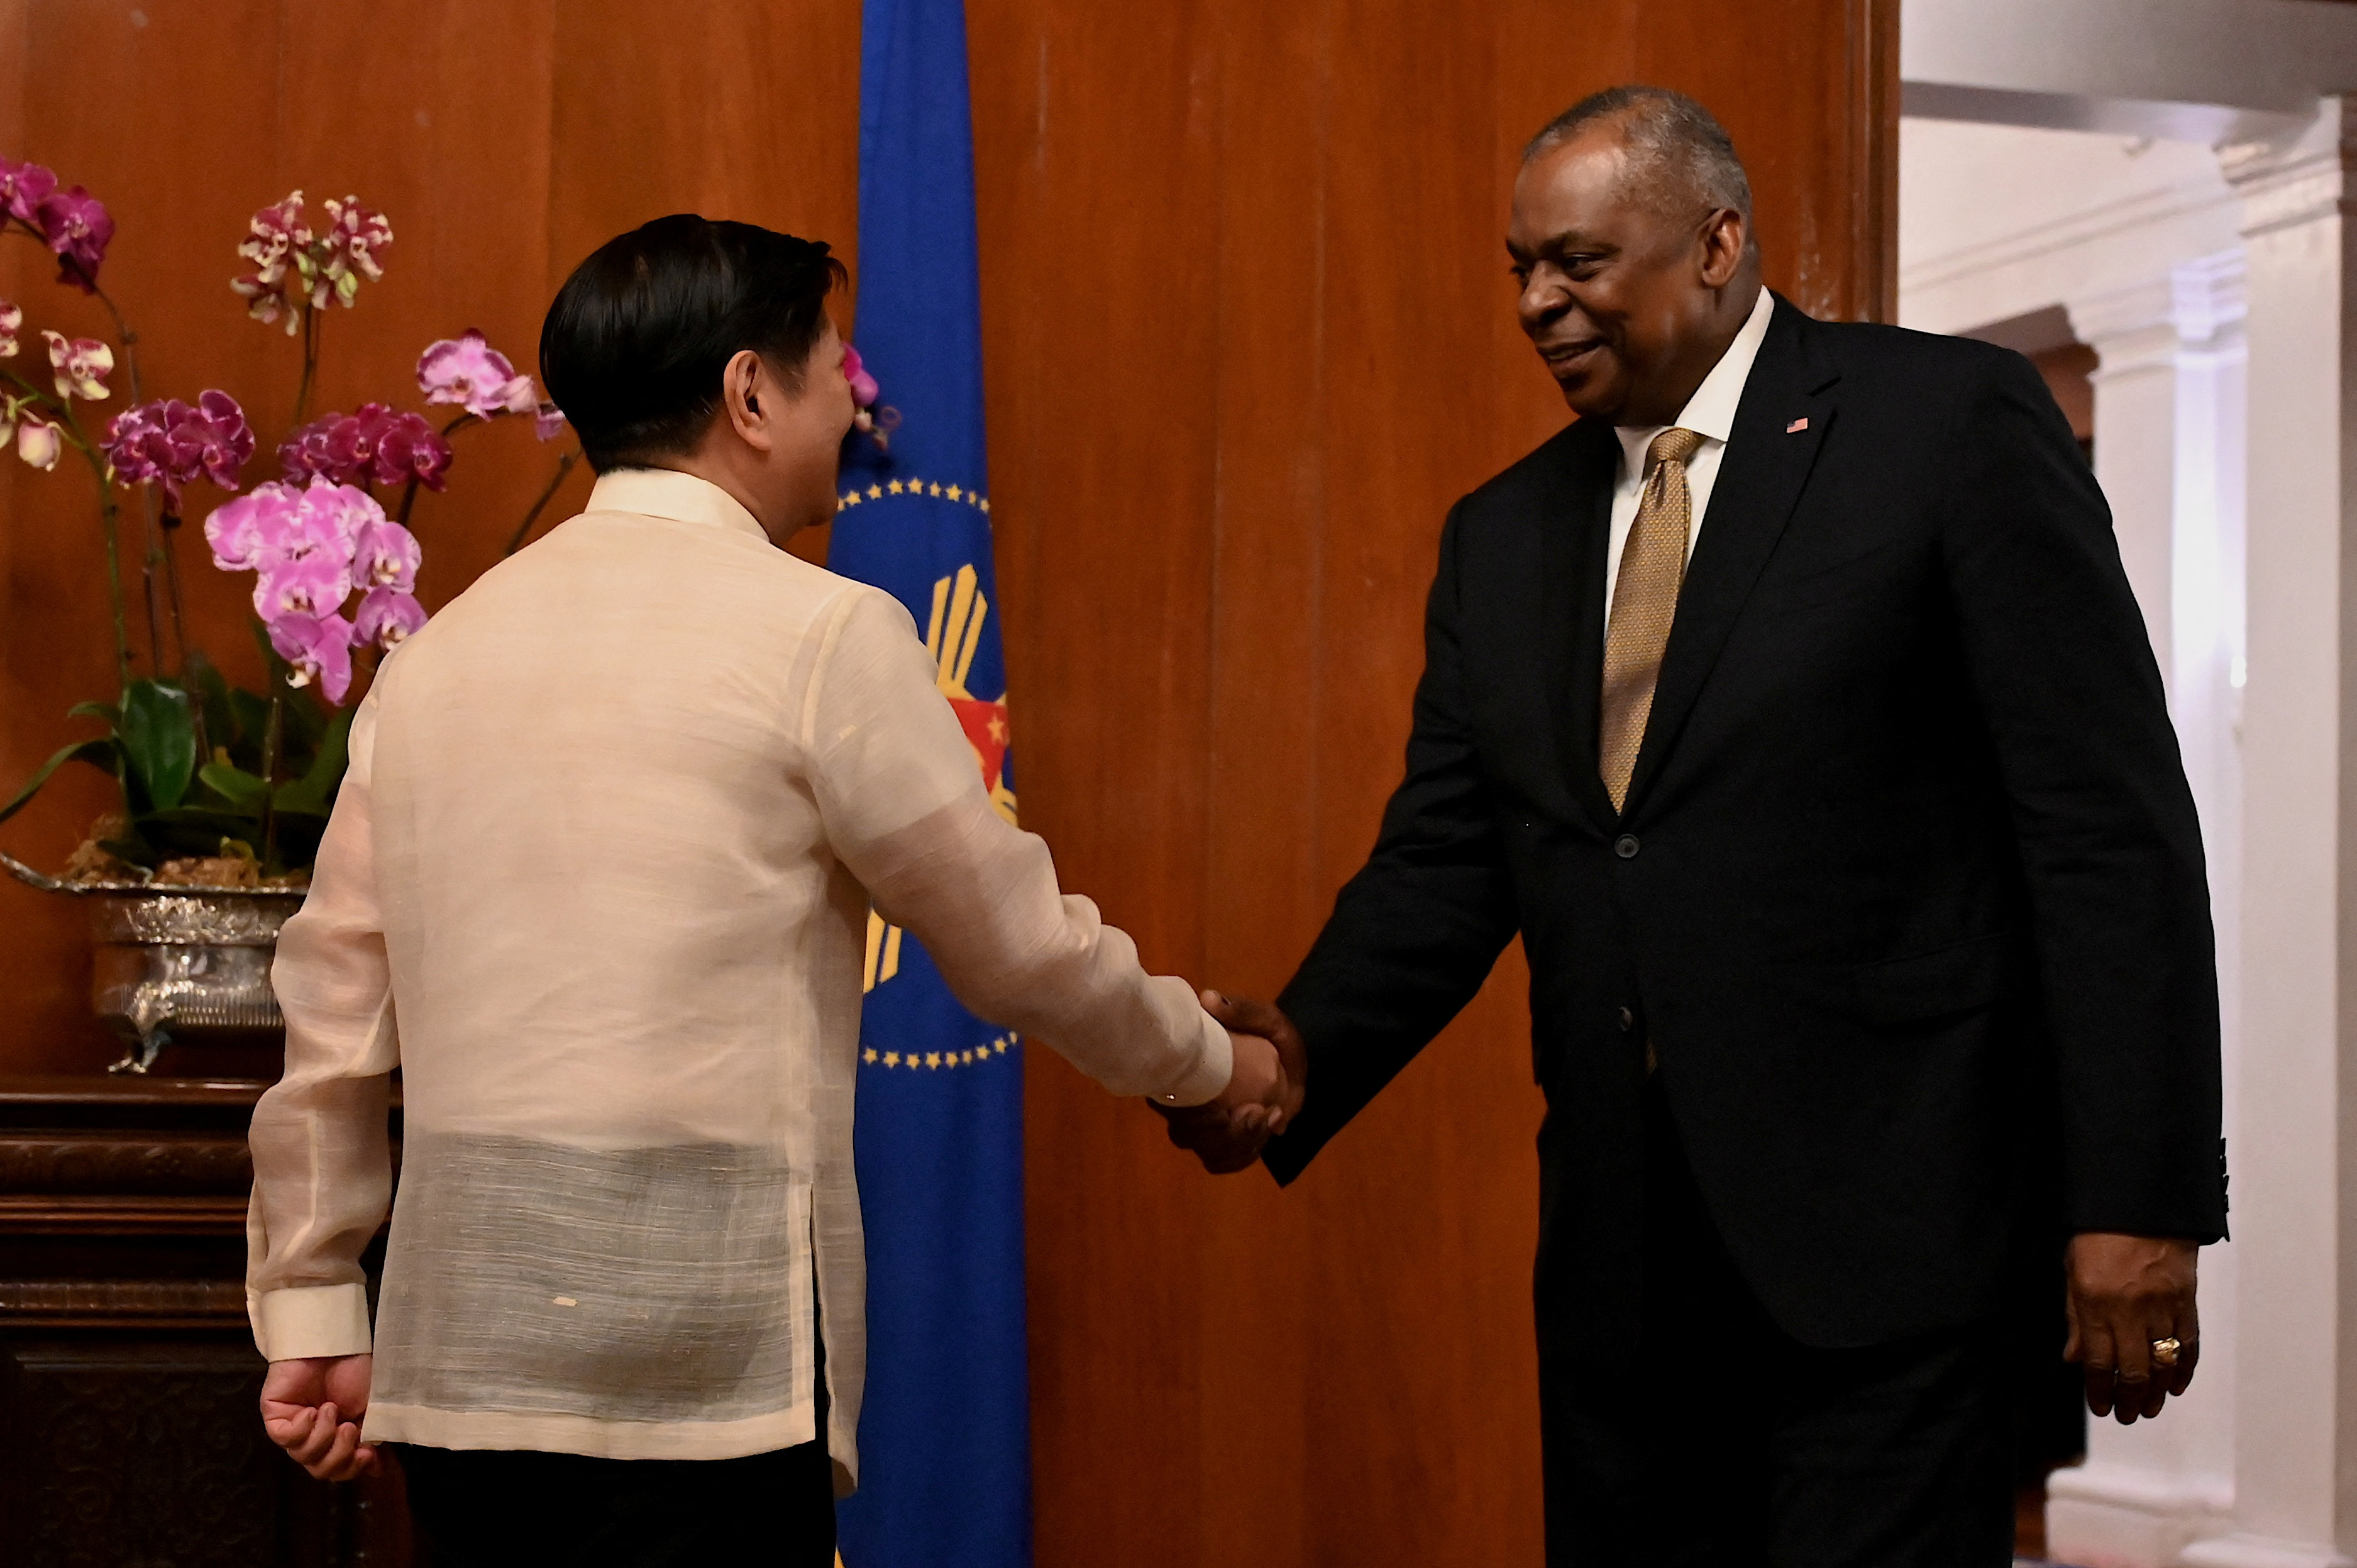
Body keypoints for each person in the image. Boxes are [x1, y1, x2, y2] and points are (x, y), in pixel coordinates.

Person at [1162, 87, 2226, 1564]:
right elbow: (1448, 860)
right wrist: (1295, 1050)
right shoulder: (1503, 535)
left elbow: (2108, 830)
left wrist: (2139, 1194)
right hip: (1625, 1288)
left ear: (1718, 243)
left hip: (1898, 1266)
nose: (1539, 302)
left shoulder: (1945, 428)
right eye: (1521, 266)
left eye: (1580, 262)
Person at [245, 214, 1289, 1567]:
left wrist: (316, 1297)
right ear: (751, 392)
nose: (851, 410)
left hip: (465, 1371)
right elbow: (1020, 949)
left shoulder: (435, 660)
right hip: (706, 1381)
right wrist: (1210, 1062)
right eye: (833, 373)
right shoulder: (824, 631)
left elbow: (335, 1006)